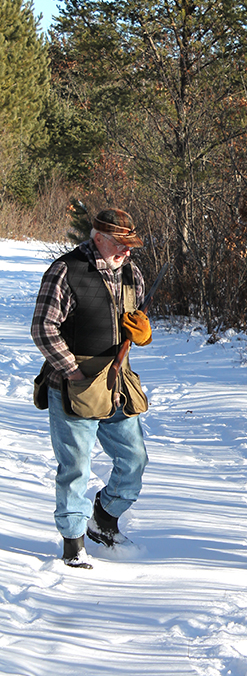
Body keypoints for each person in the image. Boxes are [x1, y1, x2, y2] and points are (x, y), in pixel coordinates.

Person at [31, 208, 153, 569]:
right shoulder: (66, 271)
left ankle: (104, 519)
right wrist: (72, 372)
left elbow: (138, 326)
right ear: (97, 237)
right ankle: (73, 544)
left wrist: (142, 333)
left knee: (134, 460)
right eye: (120, 244)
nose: (127, 252)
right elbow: (43, 328)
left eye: (131, 245)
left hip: (117, 384)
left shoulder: (132, 273)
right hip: (74, 387)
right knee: (75, 467)